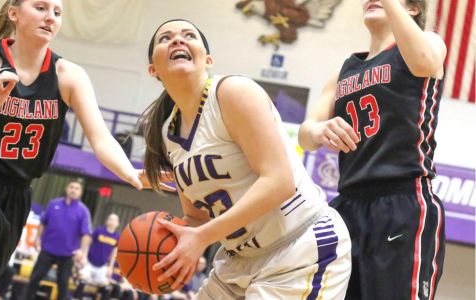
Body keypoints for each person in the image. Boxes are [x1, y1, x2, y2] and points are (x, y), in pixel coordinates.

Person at [0, 1, 169, 298]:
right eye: (41, 7)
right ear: (14, 13)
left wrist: (131, 173)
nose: (50, 17)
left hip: (17, 196)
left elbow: (100, 138)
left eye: (57, 12)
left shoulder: (68, 75)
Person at [140, 19, 351, 299]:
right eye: (165, 38)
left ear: (208, 59)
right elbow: (196, 217)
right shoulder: (168, 135)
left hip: (300, 247)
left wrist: (201, 238)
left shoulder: (232, 92)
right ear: (153, 69)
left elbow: (279, 182)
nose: (178, 40)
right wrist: (162, 251)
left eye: (189, 35)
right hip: (238, 262)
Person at [297, 0, 446, 299]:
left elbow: (424, 61)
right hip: (347, 204)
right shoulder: (345, 69)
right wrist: (318, 130)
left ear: (413, 9)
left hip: (402, 200)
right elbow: (305, 133)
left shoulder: (427, 43)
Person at [25, 179, 91, 300]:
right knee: (35, 278)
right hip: (47, 250)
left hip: (68, 254)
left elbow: (86, 234)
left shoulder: (83, 211)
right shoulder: (53, 204)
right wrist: (37, 238)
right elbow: (43, 222)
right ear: (67, 189)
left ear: (80, 192)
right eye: (71, 187)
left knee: (63, 284)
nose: (73, 190)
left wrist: (83, 252)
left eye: (77, 188)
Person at [73, 213, 121, 300]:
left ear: (118, 224)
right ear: (107, 221)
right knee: (82, 282)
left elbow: (114, 254)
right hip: (90, 263)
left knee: (107, 288)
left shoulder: (117, 237)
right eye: (110, 219)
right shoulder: (98, 231)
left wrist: (110, 267)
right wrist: (84, 257)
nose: (112, 222)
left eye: (115, 220)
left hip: (102, 266)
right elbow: (87, 244)